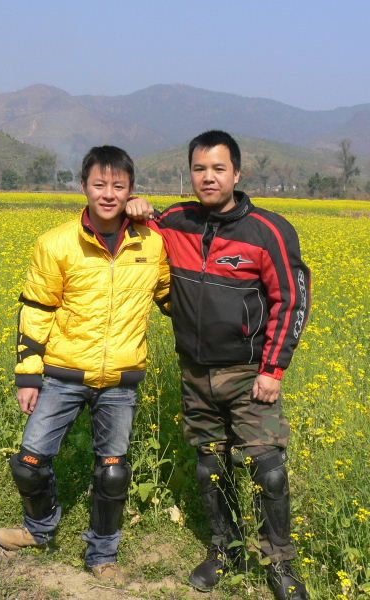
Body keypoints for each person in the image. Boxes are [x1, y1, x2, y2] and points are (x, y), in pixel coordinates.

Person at [126, 130, 311, 600]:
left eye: (218, 169)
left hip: (249, 373)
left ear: (237, 174)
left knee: (268, 468)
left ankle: (280, 563)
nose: (208, 178)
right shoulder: (176, 220)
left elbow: (291, 301)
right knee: (211, 467)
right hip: (195, 372)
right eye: (200, 169)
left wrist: (273, 370)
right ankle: (224, 549)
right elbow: (140, 221)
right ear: (190, 173)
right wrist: (138, 205)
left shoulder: (268, 230)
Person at [0, 145, 170, 586]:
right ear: (84, 187)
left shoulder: (152, 240)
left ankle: (102, 555)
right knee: (29, 462)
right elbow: (37, 309)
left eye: (118, 185)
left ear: (131, 190)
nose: (108, 193)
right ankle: (38, 530)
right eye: (99, 184)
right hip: (62, 374)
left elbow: (171, 296)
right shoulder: (56, 243)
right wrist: (28, 375)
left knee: (112, 471)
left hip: (120, 381)